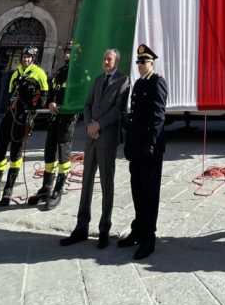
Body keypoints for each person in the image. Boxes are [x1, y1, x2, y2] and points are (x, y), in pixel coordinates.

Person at [60, 48, 130, 248]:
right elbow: (88, 104)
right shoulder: (98, 80)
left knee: (107, 184)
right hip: (91, 138)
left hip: (107, 138)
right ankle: (81, 227)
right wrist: (90, 123)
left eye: (108, 59)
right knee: (86, 183)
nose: (105, 62)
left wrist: (99, 125)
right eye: (104, 59)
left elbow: (118, 109)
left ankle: (104, 229)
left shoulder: (123, 81)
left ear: (116, 62)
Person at [0, 46, 49, 207]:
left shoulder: (40, 74)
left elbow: (44, 96)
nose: (26, 59)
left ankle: (8, 191)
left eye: (29, 57)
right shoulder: (16, 73)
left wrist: (32, 108)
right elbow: (10, 93)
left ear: (33, 59)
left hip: (23, 118)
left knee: (16, 153)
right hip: (10, 115)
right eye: (24, 56)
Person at [118, 44, 167, 260]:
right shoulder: (138, 84)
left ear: (152, 63)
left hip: (150, 147)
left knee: (149, 192)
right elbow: (135, 115)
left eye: (144, 62)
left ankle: (149, 237)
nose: (140, 65)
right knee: (137, 188)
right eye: (138, 62)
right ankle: (138, 229)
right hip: (136, 145)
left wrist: (151, 143)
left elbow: (158, 116)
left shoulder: (157, 82)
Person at [29, 41, 78, 210]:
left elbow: (80, 97)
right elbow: (51, 91)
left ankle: (59, 188)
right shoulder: (59, 72)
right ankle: (46, 186)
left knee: (63, 151)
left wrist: (63, 107)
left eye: (70, 51)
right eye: (66, 50)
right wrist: (50, 103)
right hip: (54, 117)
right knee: (49, 149)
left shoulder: (78, 72)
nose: (67, 53)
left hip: (67, 117)